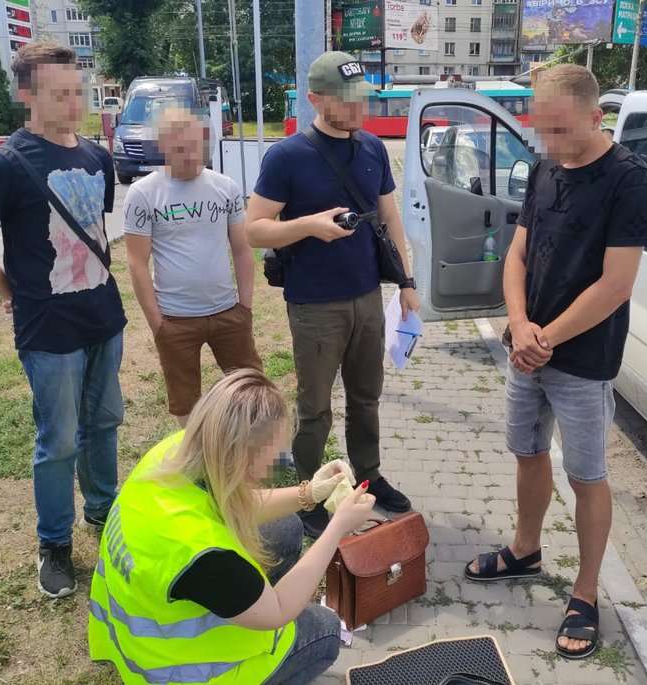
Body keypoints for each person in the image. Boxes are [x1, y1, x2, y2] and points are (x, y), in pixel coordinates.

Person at [464, 65, 647, 660]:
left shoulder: (628, 179)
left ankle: (586, 591)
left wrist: (543, 338)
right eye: (542, 129)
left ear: (596, 117)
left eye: (562, 130)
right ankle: (525, 549)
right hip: (529, 348)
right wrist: (520, 324)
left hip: (584, 359)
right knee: (526, 451)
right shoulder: (546, 166)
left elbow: (616, 284)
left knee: (586, 475)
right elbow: (518, 253)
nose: (550, 142)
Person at [0, 41, 126, 599]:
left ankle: (103, 512)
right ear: (27, 95)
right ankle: (54, 544)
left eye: (78, 92)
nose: (74, 104)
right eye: (60, 94)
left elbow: (93, 233)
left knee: (104, 424)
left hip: (104, 316)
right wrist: (13, 292)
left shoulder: (97, 157)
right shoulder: (7, 163)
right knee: (59, 440)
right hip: (49, 331)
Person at [88, 369, 376, 685]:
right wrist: (337, 528)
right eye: (275, 454)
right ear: (241, 457)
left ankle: (244, 603)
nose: (282, 462)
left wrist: (309, 493)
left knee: (285, 529)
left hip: (149, 616)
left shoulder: (177, 451)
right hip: (176, 671)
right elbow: (280, 611)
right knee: (325, 629)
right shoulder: (205, 555)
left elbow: (232, 503)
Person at [246, 51, 420, 538]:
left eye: (361, 98)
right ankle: (306, 493)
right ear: (315, 99)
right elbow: (253, 229)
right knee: (315, 408)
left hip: (367, 297)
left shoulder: (372, 148)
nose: (358, 108)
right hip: (315, 304)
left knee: (366, 397)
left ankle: (369, 474)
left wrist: (406, 282)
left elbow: (389, 217)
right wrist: (309, 226)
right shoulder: (287, 156)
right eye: (346, 100)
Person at [123, 106, 261, 426]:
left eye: (195, 146)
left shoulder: (225, 187)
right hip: (176, 317)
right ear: (163, 146)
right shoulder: (143, 194)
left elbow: (242, 249)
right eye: (180, 148)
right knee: (185, 401)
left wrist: (245, 307)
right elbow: (137, 262)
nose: (190, 157)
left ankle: (252, 449)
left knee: (251, 390)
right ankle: (193, 453)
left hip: (228, 311)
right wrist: (157, 323)